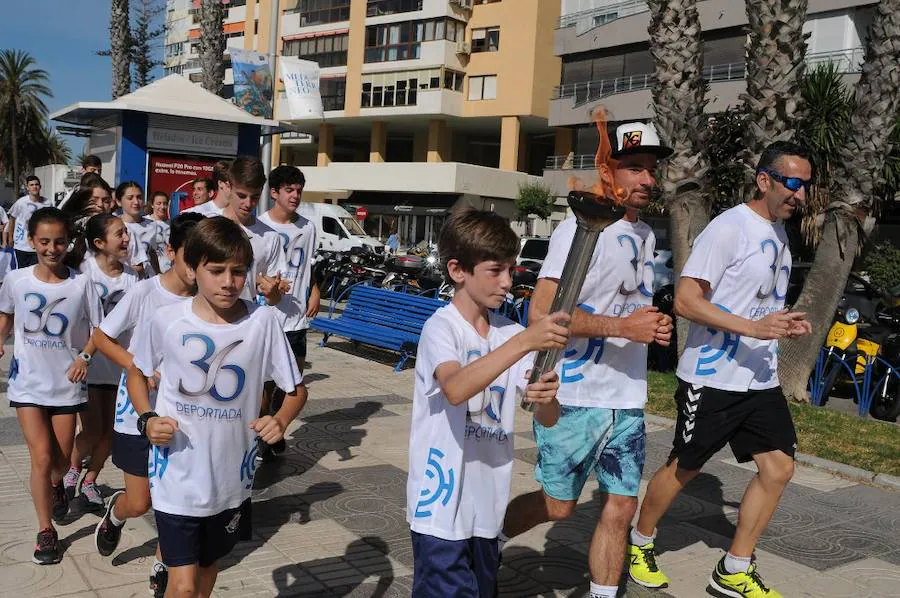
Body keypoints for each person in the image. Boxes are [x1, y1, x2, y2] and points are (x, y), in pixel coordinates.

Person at [628, 141, 814, 598]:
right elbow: (688, 301)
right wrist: (753, 325)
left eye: (807, 186)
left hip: (759, 376)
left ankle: (734, 567)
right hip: (713, 376)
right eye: (793, 183)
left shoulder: (779, 234)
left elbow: (755, 302)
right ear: (764, 180)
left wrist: (780, 323)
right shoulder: (728, 228)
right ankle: (639, 541)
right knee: (685, 466)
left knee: (779, 468)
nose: (801, 195)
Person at [501, 122, 674, 598]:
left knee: (621, 507)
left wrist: (652, 326)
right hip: (572, 393)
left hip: (627, 397)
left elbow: (625, 309)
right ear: (608, 169)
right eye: (634, 168)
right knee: (559, 508)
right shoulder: (579, 229)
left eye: (651, 170)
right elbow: (541, 313)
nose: (646, 179)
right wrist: (623, 328)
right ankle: (490, 540)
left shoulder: (644, 236)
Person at [126, 216, 307, 598]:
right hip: (176, 472)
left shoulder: (263, 322)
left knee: (207, 572)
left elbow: (295, 390)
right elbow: (137, 374)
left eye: (238, 271)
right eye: (216, 270)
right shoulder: (166, 320)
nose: (229, 282)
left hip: (231, 480)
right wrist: (147, 418)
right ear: (192, 269)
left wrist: (280, 419)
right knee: (185, 586)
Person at [406, 208, 568, 597]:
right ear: (458, 270)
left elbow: (547, 418)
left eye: (511, 270)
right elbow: (456, 388)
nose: (508, 283)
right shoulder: (441, 328)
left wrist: (545, 397)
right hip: (440, 508)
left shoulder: (508, 332)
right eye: (495, 271)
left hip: (487, 507)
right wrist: (526, 341)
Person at [92, 213, 204, 598]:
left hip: (182, 421)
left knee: (173, 502)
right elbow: (102, 336)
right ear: (170, 252)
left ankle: (163, 562)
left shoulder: (206, 302)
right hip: (135, 415)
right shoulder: (144, 292)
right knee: (141, 502)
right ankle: (116, 513)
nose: (196, 269)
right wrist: (136, 365)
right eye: (191, 258)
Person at [0, 207, 102, 565]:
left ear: (68, 243)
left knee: (58, 462)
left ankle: (58, 484)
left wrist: (84, 358)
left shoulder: (82, 282)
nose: (52, 248)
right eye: (44, 241)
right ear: (32, 241)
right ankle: (45, 530)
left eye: (59, 241)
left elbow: (98, 331)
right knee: (41, 458)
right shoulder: (17, 279)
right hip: (27, 382)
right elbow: (7, 313)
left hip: (66, 384)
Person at [63, 214, 139, 510]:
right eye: (119, 234)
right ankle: (71, 470)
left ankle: (91, 481)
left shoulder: (133, 276)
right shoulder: (83, 272)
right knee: (93, 430)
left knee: (110, 434)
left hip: (121, 367)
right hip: (91, 365)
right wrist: (82, 355)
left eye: (126, 233)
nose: (126, 239)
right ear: (98, 243)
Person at [257, 165, 320, 461]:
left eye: (299, 190)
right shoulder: (259, 227)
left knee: (291, 384)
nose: (295, 196)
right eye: (289, 190)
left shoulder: (308, 227)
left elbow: (310, 265)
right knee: (265, 387)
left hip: (296, 320)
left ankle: (276, 428)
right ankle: (262, 435)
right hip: (268, 319)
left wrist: (315, 290)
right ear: (274, 193)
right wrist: (269, 286)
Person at [220, 156, 286, 306]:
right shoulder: (207, 225)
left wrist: (273, 292)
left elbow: (274, 299)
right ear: (229, 187)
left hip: (245, 319)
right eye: (242, 196)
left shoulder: (270, 237)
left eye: (255, 197)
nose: (248, 203)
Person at [116, 181, 161, 277]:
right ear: (119, 201)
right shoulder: (113, 225)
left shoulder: (151, 224)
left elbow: (152, 252)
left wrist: (158, 274)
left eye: (139, 197)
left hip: (148, 279)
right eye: (130, 198)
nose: (136, 202)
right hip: (124, 279)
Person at [7, 176, 52, 268]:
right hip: (21, 245)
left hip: (39, 245)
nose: (34, 187)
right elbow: (12, 220)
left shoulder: (48, 203)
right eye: (31, 185)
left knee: (35, 271)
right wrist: (10, 238)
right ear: (27, 188)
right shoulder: (21, 203)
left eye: (36, 184)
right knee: (22, 271)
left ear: (40, 187)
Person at [148, 191, 172, 273]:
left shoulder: (172, 224)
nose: (162, 206)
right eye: (159, 203)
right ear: (152, 205)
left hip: (169, 269)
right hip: (150, 271)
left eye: (165, 203)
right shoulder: (145, 222)